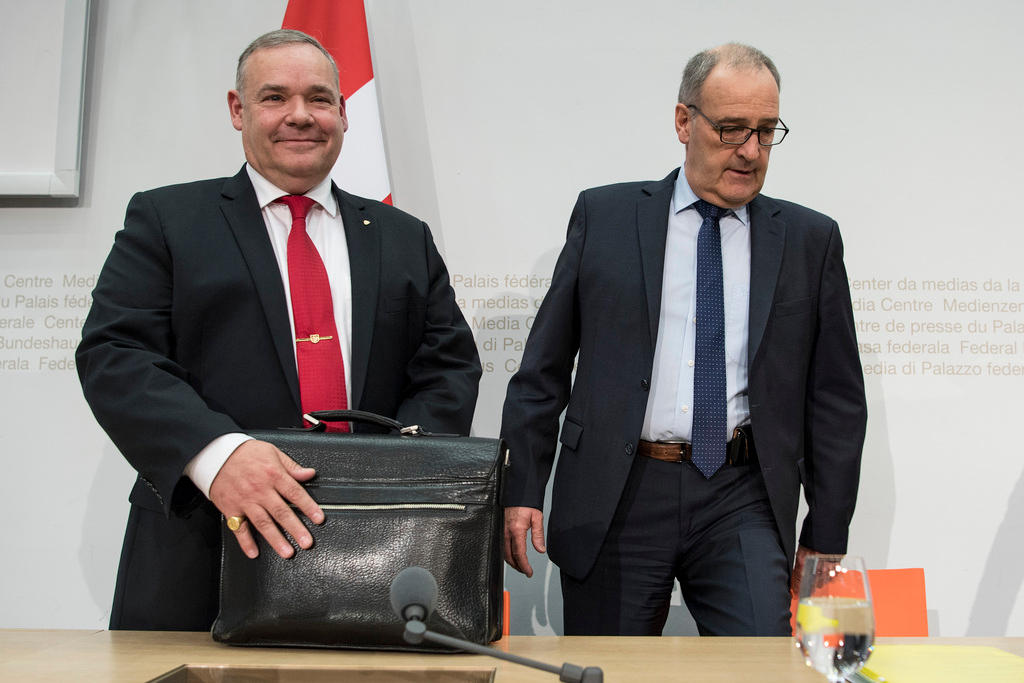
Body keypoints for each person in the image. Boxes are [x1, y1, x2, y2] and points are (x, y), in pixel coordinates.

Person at [77, 29, 481, 631]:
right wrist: (219, 455)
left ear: (344, 113)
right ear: (238, 110)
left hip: (371, 549)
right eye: (274, 98)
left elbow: (447, 367)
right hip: (202, 541)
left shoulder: (402, 237)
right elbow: (117, 354)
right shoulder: (167, 220)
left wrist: (389, 476)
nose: (300, 116)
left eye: (319, 98)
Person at [500, 43, 866, 636]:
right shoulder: (606, 217)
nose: (750, 151)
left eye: (766, 131)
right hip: (619, 493)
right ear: (682, 121)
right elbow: (543, 370)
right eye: (730, 129)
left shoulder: (809, 240)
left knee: (759, 669)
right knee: (607, 672)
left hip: (741, 494)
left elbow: (837, 402)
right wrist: (521, 488)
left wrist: (825, 537)